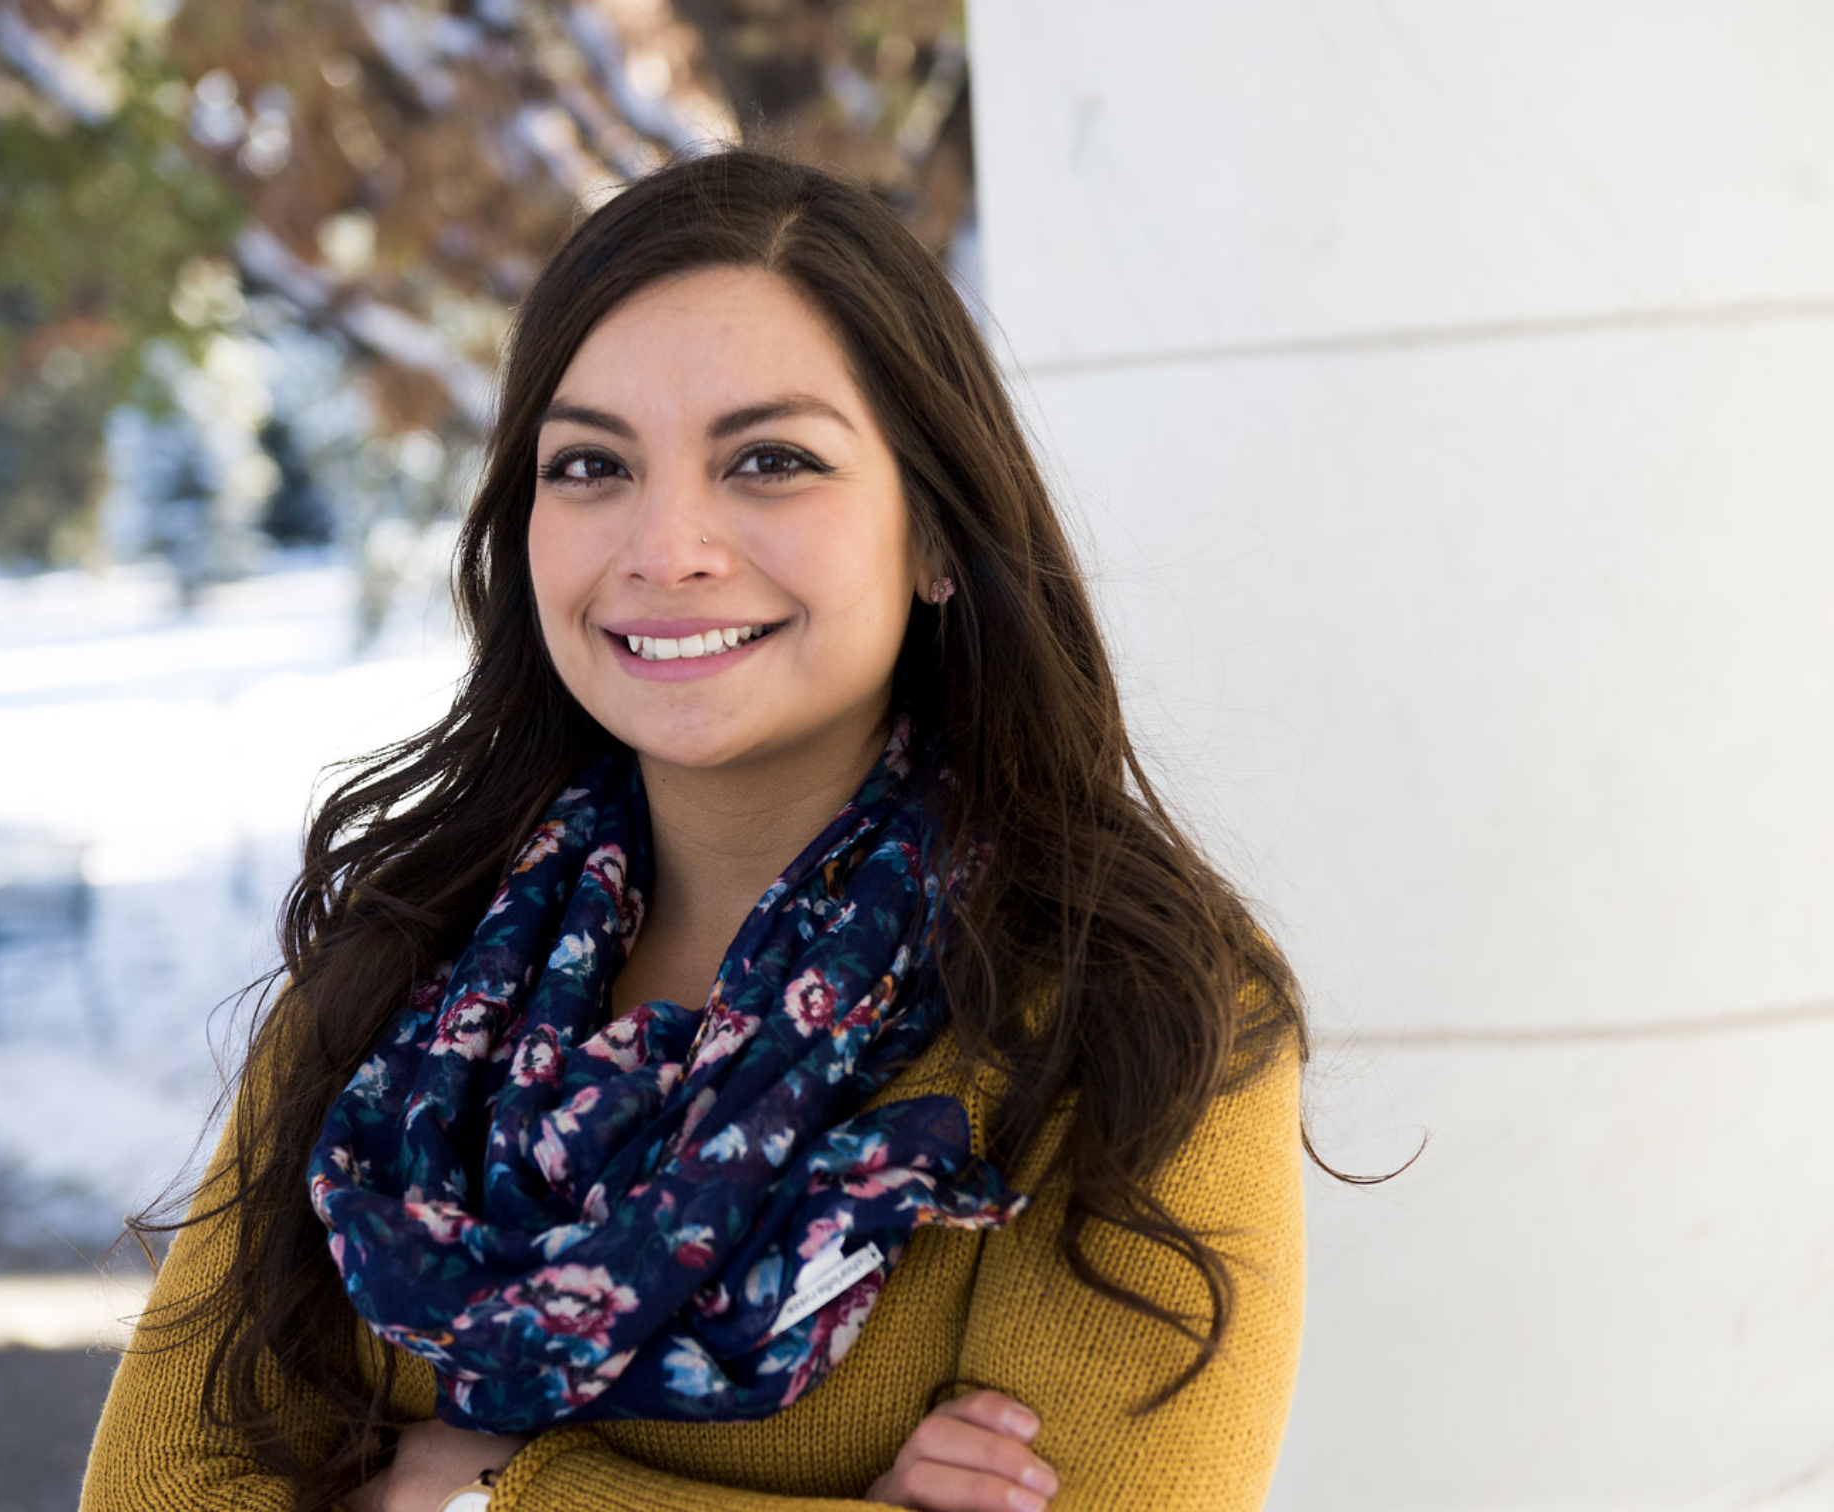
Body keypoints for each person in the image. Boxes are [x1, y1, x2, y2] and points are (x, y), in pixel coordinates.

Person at [81, 148, 1308, 1512]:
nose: (665, 546)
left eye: (769, 461)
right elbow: (153, 1490)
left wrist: (481, 1489)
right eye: (591, 464)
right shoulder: (400, 971)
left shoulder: (1124, 1007)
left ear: (938, 535)